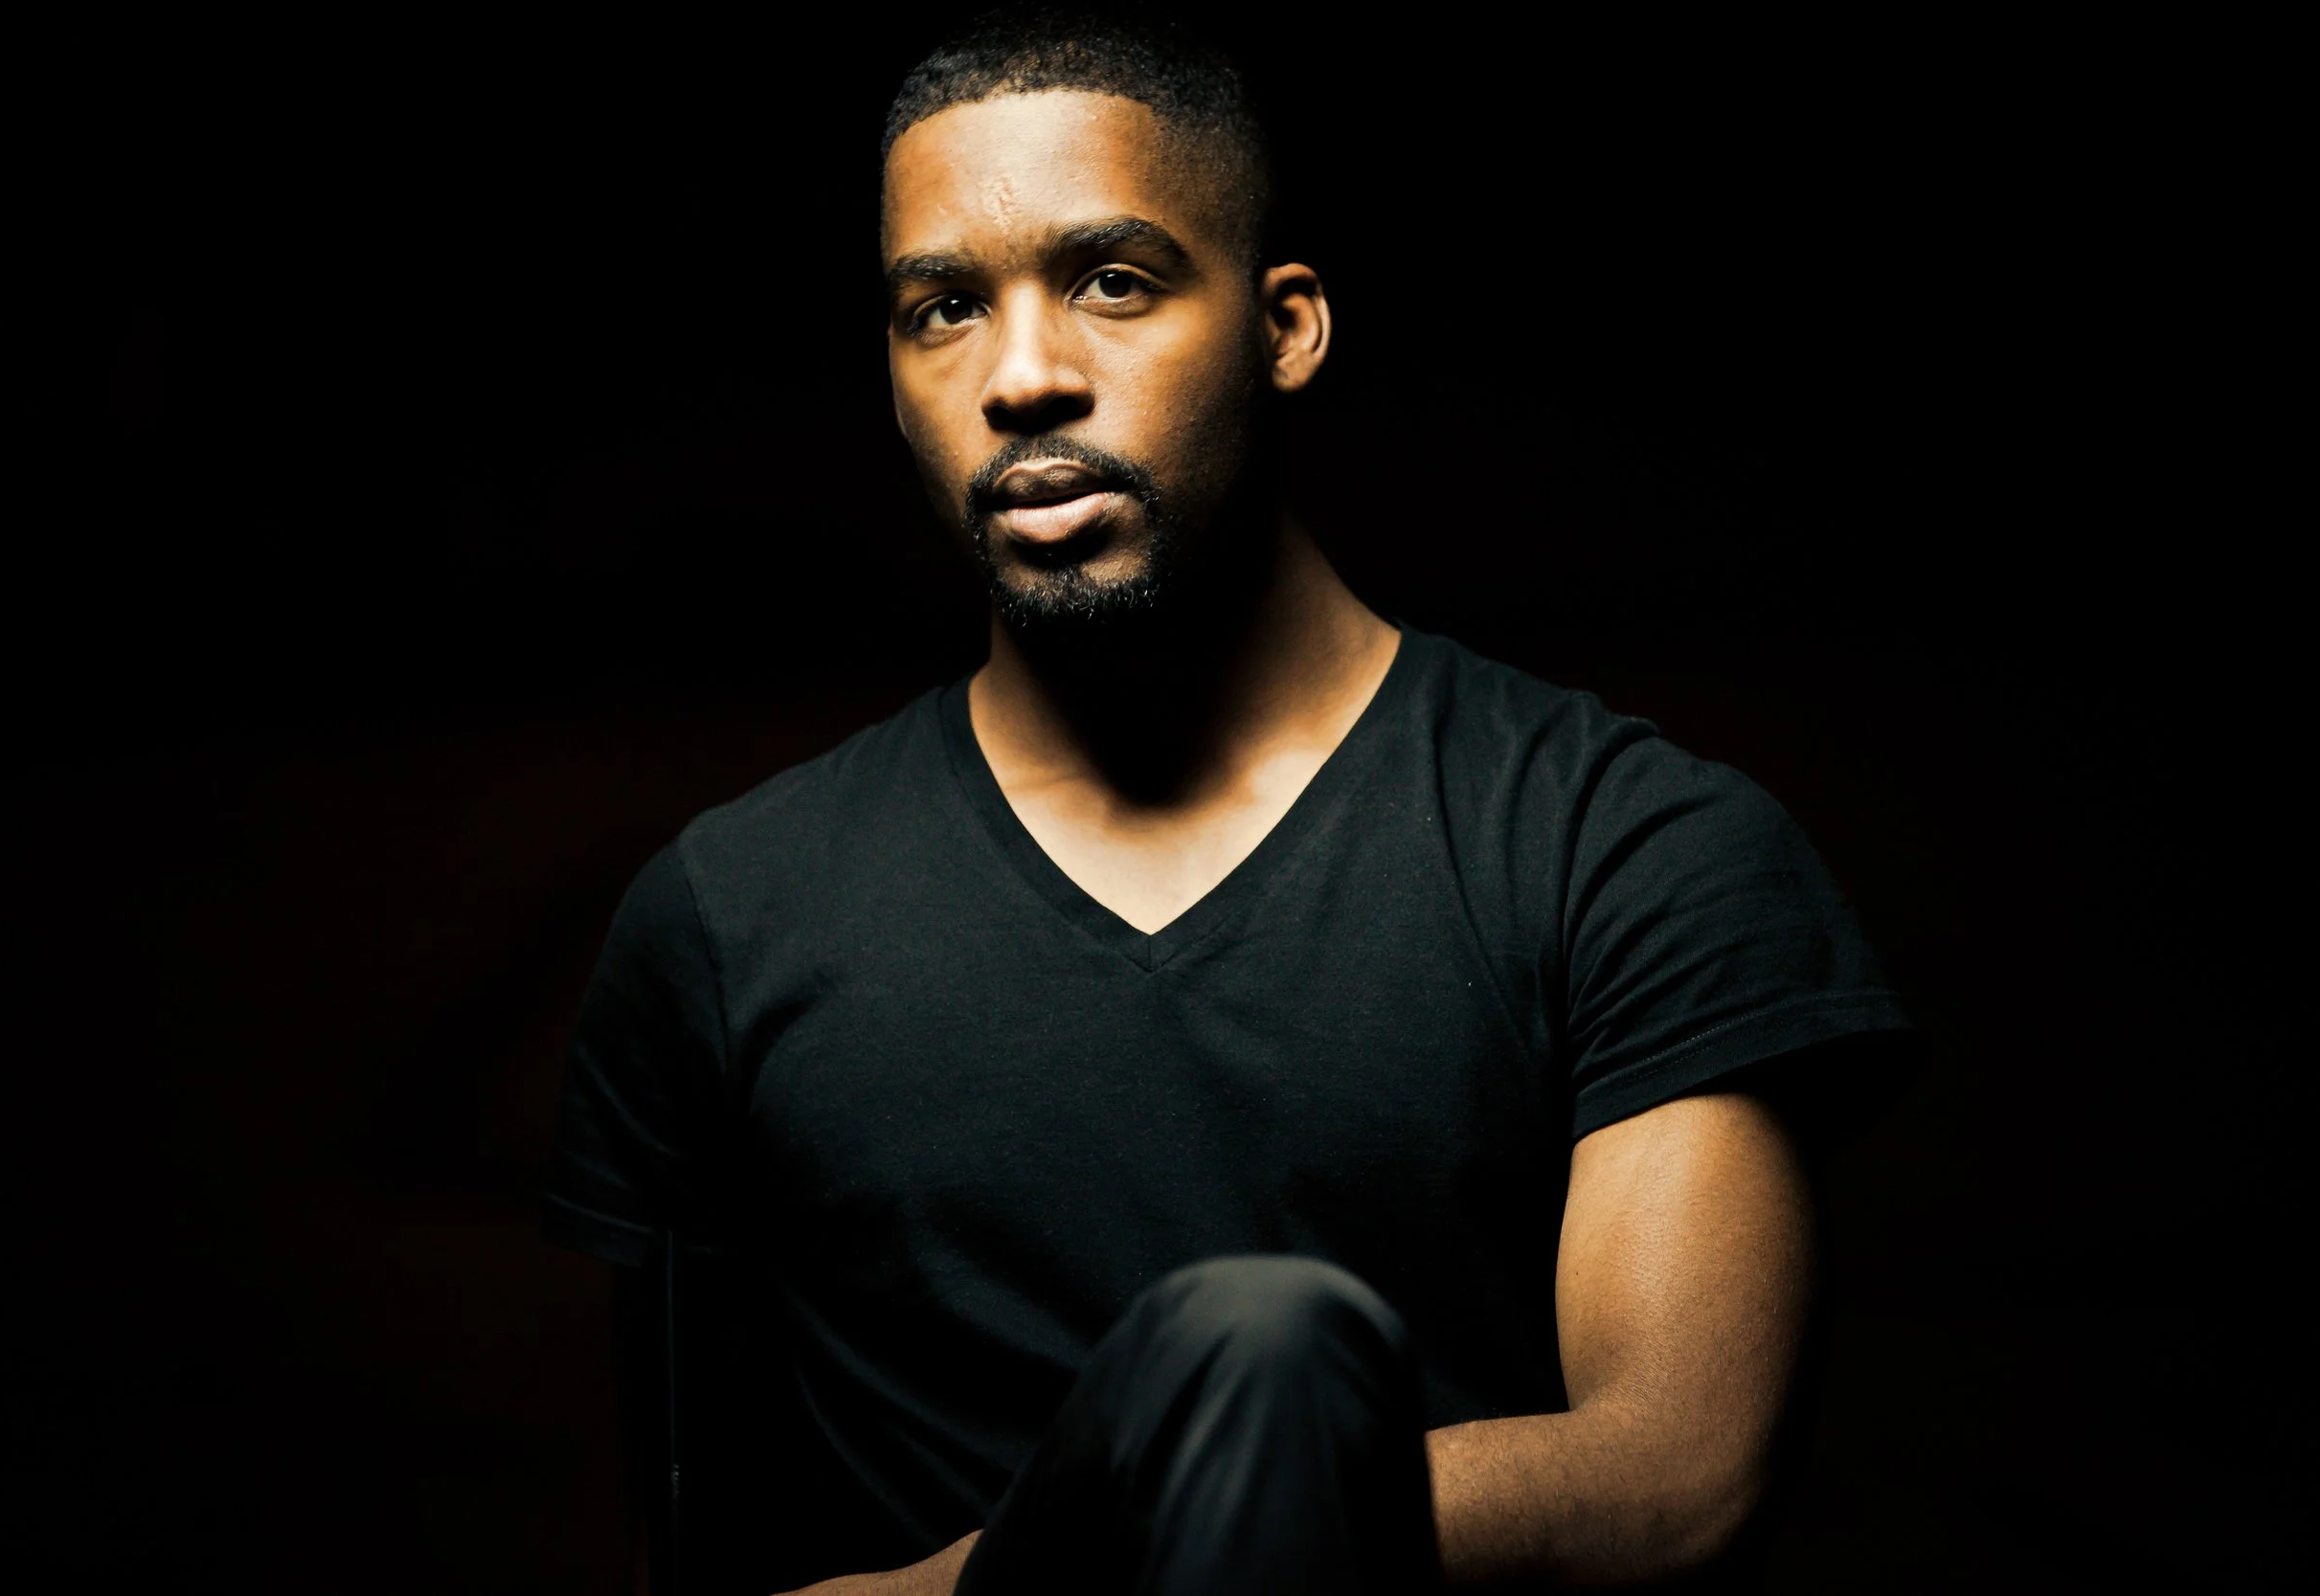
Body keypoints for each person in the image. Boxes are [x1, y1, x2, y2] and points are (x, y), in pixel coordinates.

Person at [545, 12, 1913, 1592]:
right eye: (941, 310)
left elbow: (1677, 1473)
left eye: (1113, 281)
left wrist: (1161, 1511)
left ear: (1288, 328)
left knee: (1264, 1359)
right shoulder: (725, 919)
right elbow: (674, 1550)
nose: (1025, 377)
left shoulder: (1621, 848)